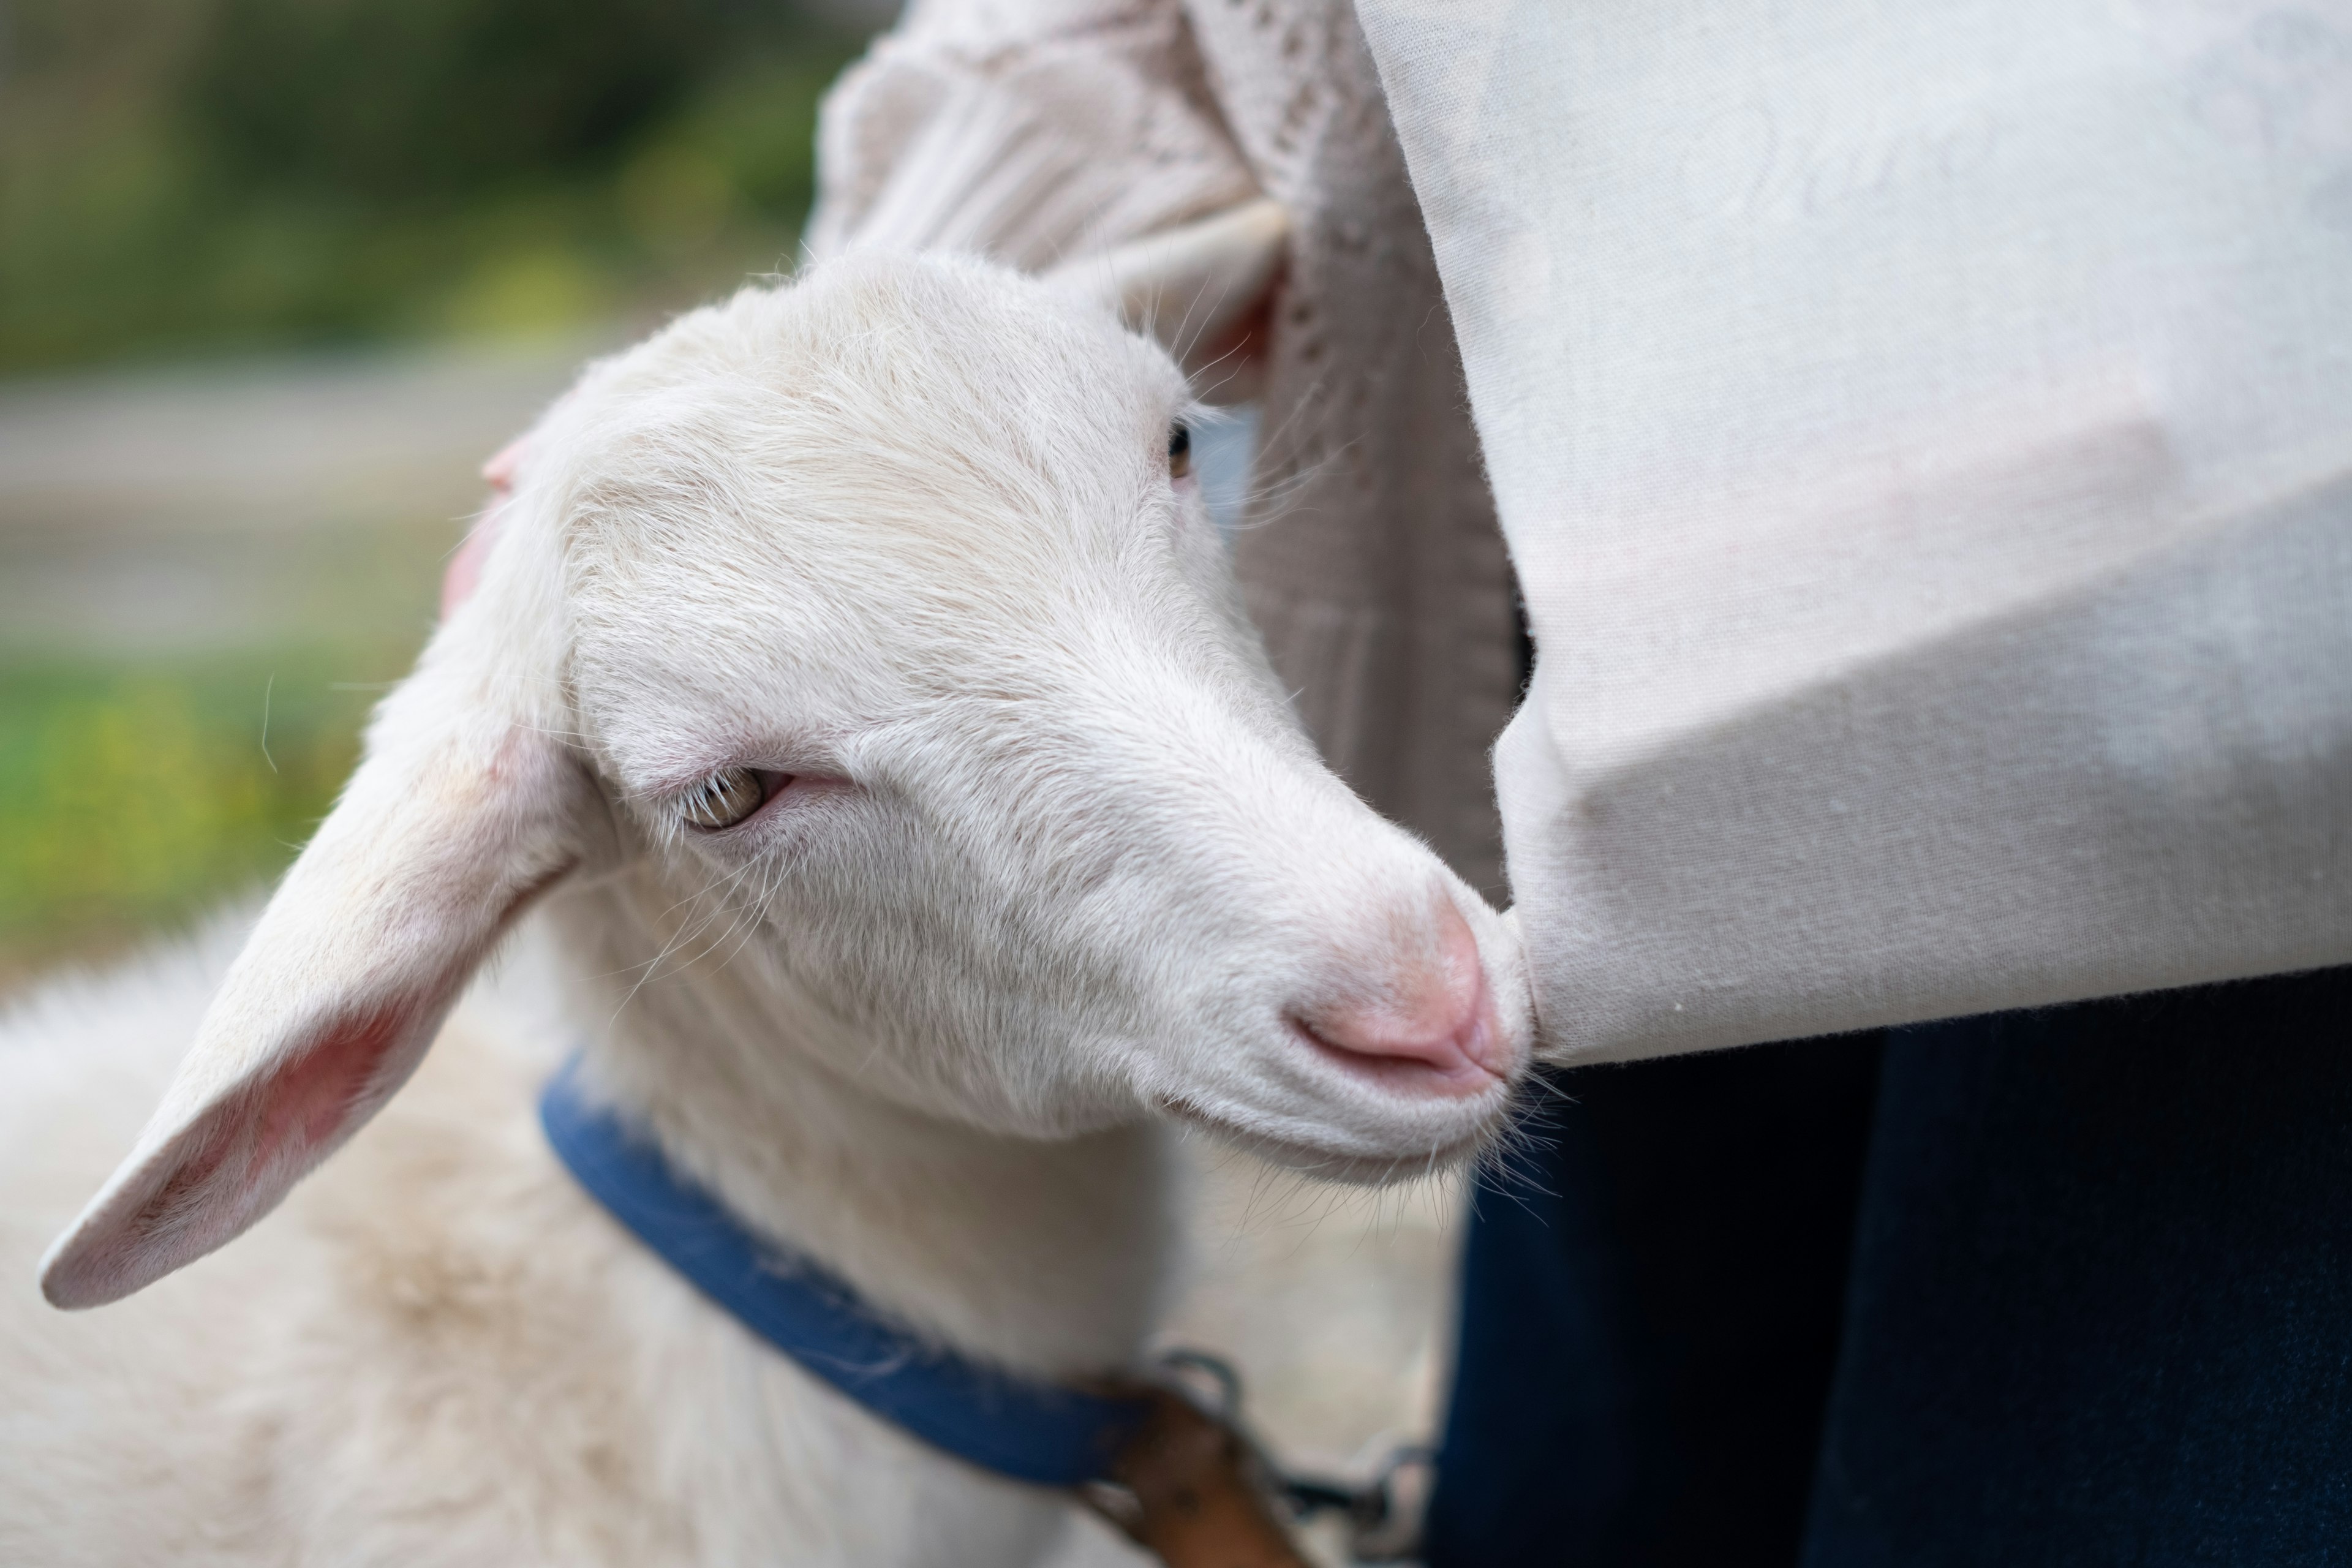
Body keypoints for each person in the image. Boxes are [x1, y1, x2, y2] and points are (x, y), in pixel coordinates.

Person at [601, 1, 2352, 1558]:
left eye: (1163, 448)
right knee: (1596, 1495)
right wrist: (803, 414)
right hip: (1617, 533)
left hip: (2243, 530)